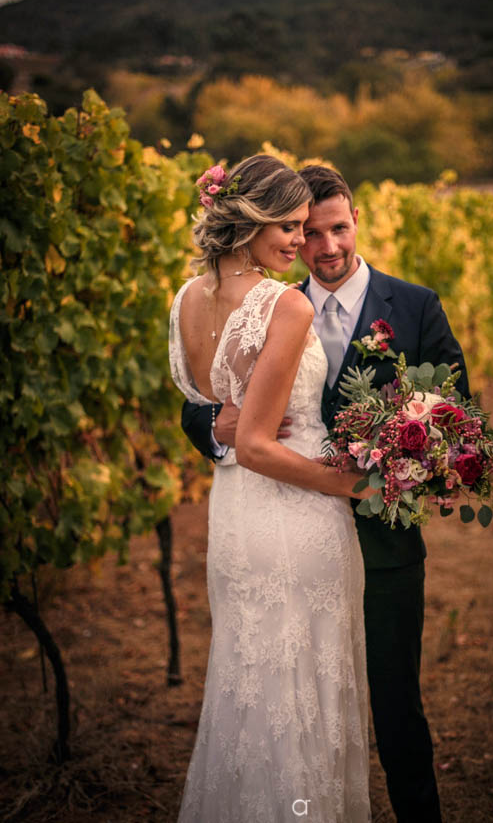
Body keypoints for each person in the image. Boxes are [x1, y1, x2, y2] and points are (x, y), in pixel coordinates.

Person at [182, 164, 470, 823]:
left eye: (337, 228)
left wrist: (406, 455)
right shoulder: (270, 302)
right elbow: (202, 405)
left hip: (383, 543)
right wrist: (218, 426)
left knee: (397, 705)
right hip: (295, 536)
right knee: (301, 698)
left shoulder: (415, 305)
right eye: (309, 233)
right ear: (288, 234)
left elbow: (454, 409)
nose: (326, 246)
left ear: (357, 219)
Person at [169, 155, 373, 823]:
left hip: (232, 520)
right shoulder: (283, 303)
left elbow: (222, 424)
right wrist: (344, 486)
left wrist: (232, 425)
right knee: (301, 690)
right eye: (285, 226)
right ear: (247, 220)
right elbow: (257, 444)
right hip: (295, 515)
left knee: (250, 684)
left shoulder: (186, 300)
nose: (297, 241)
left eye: (300, 225)